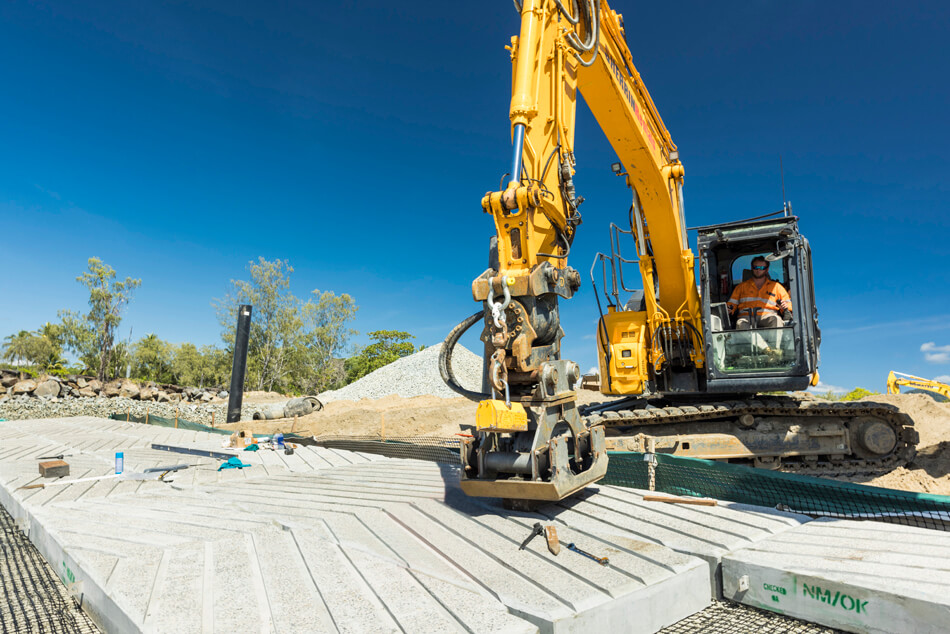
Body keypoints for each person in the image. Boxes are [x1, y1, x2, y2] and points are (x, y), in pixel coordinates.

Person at [727, 256, 791, 330]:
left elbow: (789, 305)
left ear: (767, 270)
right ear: (751, 268)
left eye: (762, 268)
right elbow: (731, 305)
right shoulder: (741, 287)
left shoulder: (776, 287)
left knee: (776, 320)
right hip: (746, 317)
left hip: (768, 317)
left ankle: (774, 342)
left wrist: (785, 306)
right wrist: (729, 309)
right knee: (740, 324)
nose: (758, 270)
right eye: (755, 267)